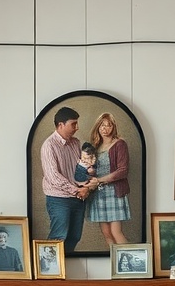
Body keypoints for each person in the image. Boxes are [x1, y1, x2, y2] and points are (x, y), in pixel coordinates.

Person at [40, 107, 98, 255]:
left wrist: (86, 187)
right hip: (59, 199)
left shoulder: (75, 143)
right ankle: (49, 274)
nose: (77, 128)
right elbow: (53, 176)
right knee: (58, 237)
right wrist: (77, 191)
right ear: (61, 125)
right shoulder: (49, 145)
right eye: (73, 124)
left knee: (74, 237)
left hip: (78, 198)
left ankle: (62, 271)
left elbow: (81, 169)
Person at [86, 112, 131, 246]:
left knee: (116, 232)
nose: (105, 129)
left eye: (108, 126)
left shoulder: (120, 144)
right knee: (106, 233)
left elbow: (123, 171)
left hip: (114, 192)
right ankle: (115, 263)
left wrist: (100, 180)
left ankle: (130, 265)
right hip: (98, 194)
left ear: (114, 127)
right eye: (102, 126)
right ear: (98, 127)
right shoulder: (95, 147)